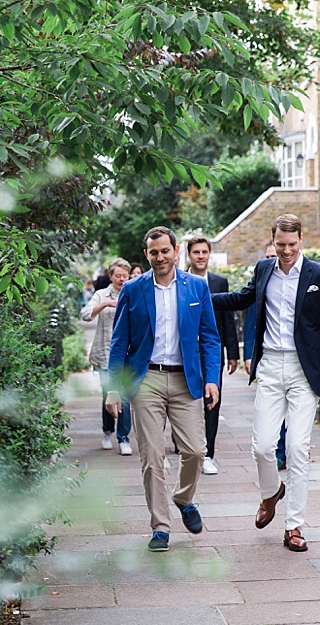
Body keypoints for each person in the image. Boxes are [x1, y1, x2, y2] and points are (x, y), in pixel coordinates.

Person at [211, 214, 320, 552]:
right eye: (280, 245)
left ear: (301, 240)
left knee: (299, 448)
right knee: (261, 447)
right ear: (272, 241)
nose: (286, 251)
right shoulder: (263, 270)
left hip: (305, 371)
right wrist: (196, 296)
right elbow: (243, 298)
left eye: (291, 245)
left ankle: (294, 526)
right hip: (271, 366)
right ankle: (270, 494)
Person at [106, 226, 222, 552]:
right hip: (147, 379)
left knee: (196, 451)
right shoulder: (132, 290)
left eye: (165, 251)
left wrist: (211, 378)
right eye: (153, 252)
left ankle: (183, 498)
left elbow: (210, 338)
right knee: (152, 455)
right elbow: (120, 343)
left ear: (175, 252)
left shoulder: (196, 288)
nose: (160, 257)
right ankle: (160, 527)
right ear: (147, 254)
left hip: (186, 379)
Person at [186, 235, 239, 475]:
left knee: (212, 400)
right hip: (185, 351)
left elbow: (228, 317)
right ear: (189, 255)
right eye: (196, 252)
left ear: (209, 255)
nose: (200, 256)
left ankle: (208, 454)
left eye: (204, 252)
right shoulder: (180, 281)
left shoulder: (219, 282)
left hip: (212, 350)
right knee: (186, 400)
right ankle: (187, 448)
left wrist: (233, 352)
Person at [81, 258, 133, 454]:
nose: (121, 279)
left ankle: (123, 438)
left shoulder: (133, 292)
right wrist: (106, 304)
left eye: (124, 276)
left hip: (126, 356)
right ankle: (107, 431)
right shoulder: (101, 294)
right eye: (117, 276)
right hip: (104, 354)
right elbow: (85, 314)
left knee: (125, 397)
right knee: (109, 394)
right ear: (110, 276)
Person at [244, 241, 287, 471]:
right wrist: (249, 352)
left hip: (299, 361)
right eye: (270, 255)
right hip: (270, 358)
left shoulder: (307, 277)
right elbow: (251, 319)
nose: (276, 258)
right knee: (272, 412)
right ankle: (280, 452)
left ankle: (291, 447)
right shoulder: (263, 276)